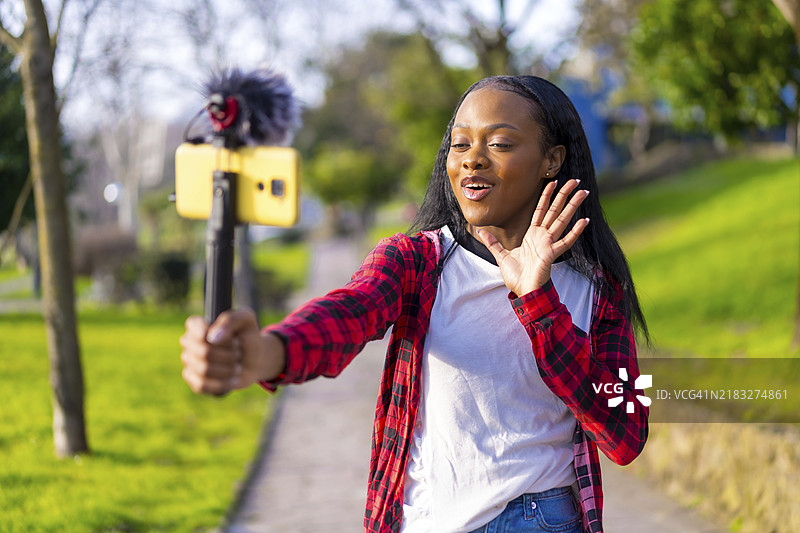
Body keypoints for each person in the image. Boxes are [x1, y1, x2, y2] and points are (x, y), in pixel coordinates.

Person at [180, 75, 649, 533]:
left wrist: (538, 301)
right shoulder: (416, 262)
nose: (472, 161)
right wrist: (266, 352)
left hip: (539, 518)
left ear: (552, 160)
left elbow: (625, 437)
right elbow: (349, 312)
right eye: (460, 144)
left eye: (500, 144)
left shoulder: (597, 288)